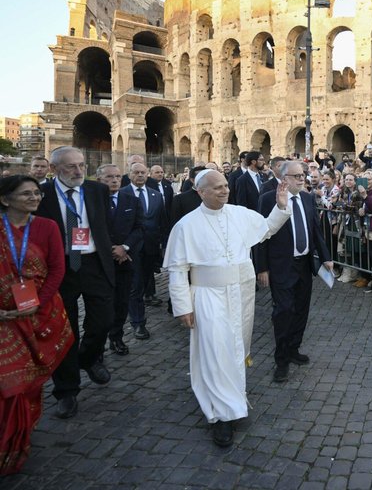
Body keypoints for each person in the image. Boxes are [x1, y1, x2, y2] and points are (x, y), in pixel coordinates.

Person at [162, 169, 292, 447]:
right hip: (208, 296)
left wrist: (281, 208)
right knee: (216, 351)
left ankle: (234, 399)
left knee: (235, 349)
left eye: (225, 186)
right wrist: (183, 307)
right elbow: (177, 269)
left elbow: (266, 229)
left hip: (241, 294)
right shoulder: (186, 225)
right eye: (218, 187)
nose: (225, 191)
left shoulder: (239, 213)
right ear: (201, 192)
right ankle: (222, 416)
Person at [35, 146, 115, 419]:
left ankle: (88, 358)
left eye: (81, 165)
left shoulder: (97, 190)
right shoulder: (42, 194)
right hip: (60, 268)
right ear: (54, 169)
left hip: (93, 263)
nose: (79, 171)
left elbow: (104, 225)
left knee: (103, 320)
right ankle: (66, 391)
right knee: (64, 329)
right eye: (71, 166)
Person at [0, 176, 73, 475]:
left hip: (39, 315)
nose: (34, 198)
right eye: (25, 194)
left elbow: (57, 269)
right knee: (9, 382)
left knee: (27, 384)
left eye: (36, 193)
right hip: (3, 320)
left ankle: (20, 437)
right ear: (5, 199)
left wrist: (37, 304)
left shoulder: (47, 226)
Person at [255, 160, 333, 385]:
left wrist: (326, 256)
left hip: (304, 265)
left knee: (301, 310)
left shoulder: (307, 198)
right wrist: (262, 267)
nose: (302, 179)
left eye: (303, 175)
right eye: (297, 176)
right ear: (284, 178)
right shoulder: (268, 199)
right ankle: (281, 360)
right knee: (284, 311)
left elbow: (315, 230)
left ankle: (293, 349)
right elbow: (261, 236)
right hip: (281, 265)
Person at [96, 164, 143, 356]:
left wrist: (125, 247)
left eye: (117, 176)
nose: (114, 180)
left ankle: (116, 337)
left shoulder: (131, 200)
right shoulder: (92, 202)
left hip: (125, 259)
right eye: (109, 177)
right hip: (100, 261)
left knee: (122, 302)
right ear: (99, 180)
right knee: (100, 305)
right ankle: (97, 345)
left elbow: (139, 228)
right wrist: (111, 249)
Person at [121, 162, 168, 329]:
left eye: (143, 172)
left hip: (151, 247)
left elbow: (162, 222)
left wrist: (163, 244)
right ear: (129, 175)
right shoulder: (122, 194)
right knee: (135, 286)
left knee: (144, 281)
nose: (140, 175)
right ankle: (138, 322)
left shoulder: (156, 195)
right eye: (136, 172)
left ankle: (138, 306)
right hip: (130, 248)